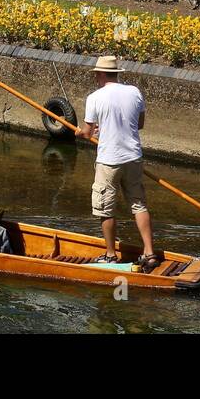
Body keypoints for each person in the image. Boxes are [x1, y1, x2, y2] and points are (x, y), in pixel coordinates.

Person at [78, 55, 158, 271]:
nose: (95, 76)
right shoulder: (134, 92)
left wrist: (80, 132)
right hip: (133, 157)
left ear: (102, 74)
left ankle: (111, 255)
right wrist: (102, 129)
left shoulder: (94, 97)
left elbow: (86, 132)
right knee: (138, 204)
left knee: (106, 208)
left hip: (109, 161)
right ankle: (149, 253)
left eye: (96, 73)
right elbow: (138, 124)